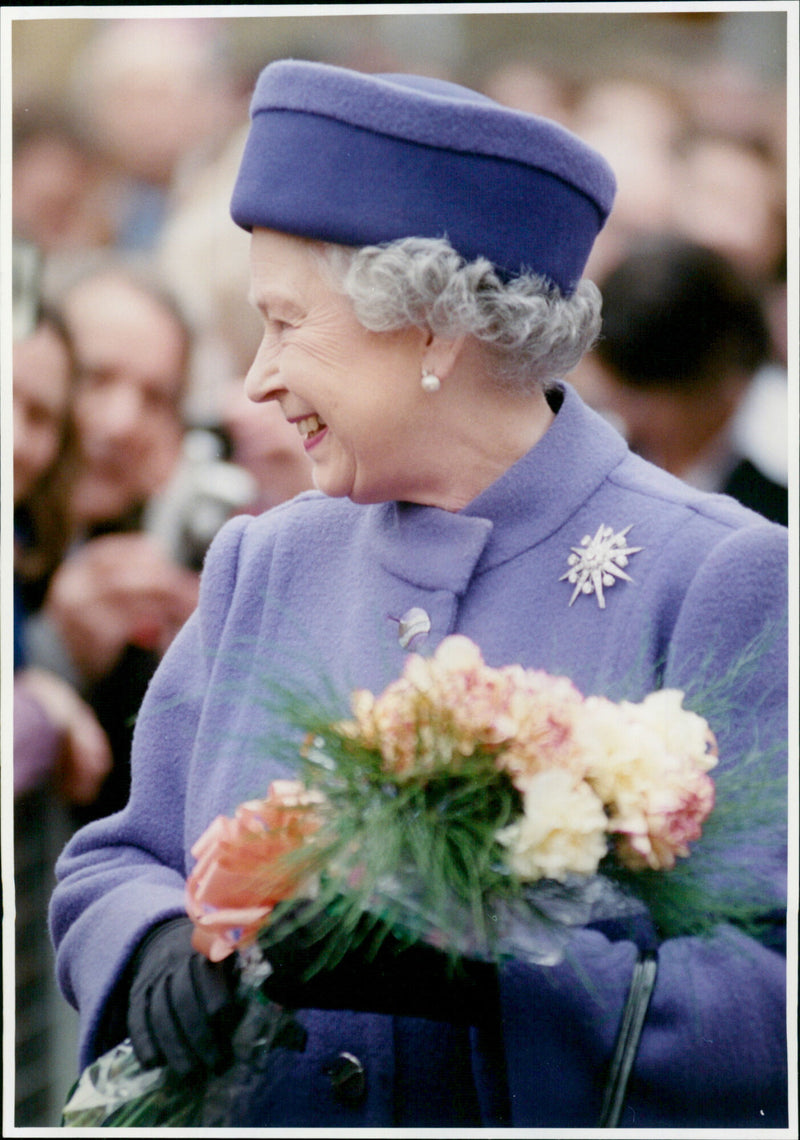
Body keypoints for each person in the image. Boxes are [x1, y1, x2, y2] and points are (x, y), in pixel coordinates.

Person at [50, 60, 788, 1129]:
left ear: (433, 329)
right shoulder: (263, 558)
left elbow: (766, 1008)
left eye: (285, 323)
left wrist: (487, 977)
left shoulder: (716, 574)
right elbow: (116, 860)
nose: (253, 380)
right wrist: (157, 934)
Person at [26, 264, 200, 822]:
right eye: (96, 378)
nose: (124, 423)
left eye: (155, 398)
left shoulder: (167, 560)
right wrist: (54, 648)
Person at [588, 234, 788, 526]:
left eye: (642, 399)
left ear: (718, 379)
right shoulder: (606, 442)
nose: (625, 415)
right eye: (617, 393)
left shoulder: (779, 464)